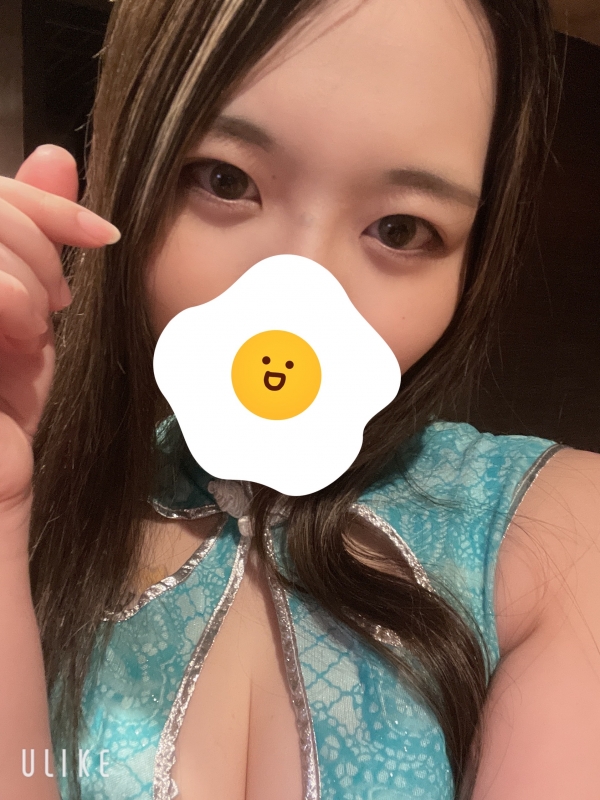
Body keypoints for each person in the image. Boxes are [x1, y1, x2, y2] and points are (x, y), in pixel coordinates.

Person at [1, 0, 600, 798]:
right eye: (226, 181)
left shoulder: (564, 539)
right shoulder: (41, 506)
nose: (297, 305)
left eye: (400, 229)